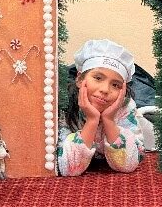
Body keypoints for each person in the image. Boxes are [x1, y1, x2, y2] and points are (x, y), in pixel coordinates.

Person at [57, 39, 145, 176]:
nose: (105, 89)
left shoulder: (124, 107)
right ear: (80, 79)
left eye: (115, 85)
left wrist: (109, 120)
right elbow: (69, 168)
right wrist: (92, 120)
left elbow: (128, 164)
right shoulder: (64, 105)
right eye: (98, 78)